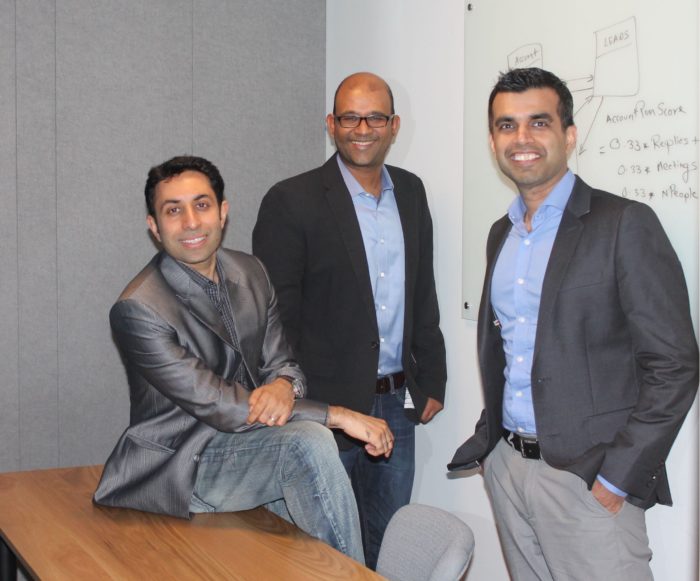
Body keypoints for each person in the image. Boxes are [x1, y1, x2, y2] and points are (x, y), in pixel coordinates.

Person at [448, 67, 699, 580]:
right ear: (493, 141)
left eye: (538, 123)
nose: (521, 138)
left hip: (587, 479)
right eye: (506, 125)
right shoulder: (501, 233)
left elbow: (674, 364)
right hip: (509, 468)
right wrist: (493, 449)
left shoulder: (623, 224)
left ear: (569, 135)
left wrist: (618, 477)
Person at [93, 155, 397, 564]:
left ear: (223, 212)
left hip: (254, 446)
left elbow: (284, 362)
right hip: (184, 463)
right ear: (154, 225)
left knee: (296, 520)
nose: (191, 222)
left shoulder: (250, 270)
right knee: (307, 444)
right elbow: (222, 405)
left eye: (202, 205)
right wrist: (338, 415)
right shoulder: (139, 308)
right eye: (173, 211)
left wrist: (284, 385)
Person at [253, 72, 447, 569]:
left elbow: (422, 291)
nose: (362, 129)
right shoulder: (291, 200)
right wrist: (298, 398)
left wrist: (433, 379)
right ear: (331, 124)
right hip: (325, 411)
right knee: (318, 552)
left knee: (387, 546)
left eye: (375, 118)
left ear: (394, 125)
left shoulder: (411, 192)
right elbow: (274, 318)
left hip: (397, 405)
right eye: (350, 118)